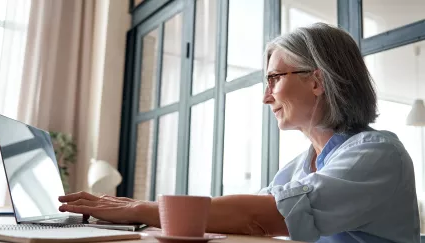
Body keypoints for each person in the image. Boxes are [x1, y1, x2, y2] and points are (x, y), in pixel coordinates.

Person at [58, 23, 420, 243]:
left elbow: (266, 217)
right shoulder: (298, 167)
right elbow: (249, 221)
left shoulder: (378, 153)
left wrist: (144, 209)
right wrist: (138, 213)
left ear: (317, 81)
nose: (267, 96)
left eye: (274, 79)